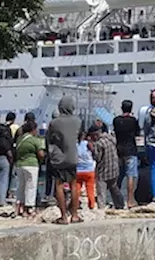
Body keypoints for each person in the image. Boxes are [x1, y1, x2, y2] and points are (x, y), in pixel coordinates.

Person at [46, 96, 83, 224]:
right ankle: (74, 215)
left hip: (58, 157)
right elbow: (79, 137)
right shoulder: (78, 121)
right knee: (73, 185)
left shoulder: (54, 122)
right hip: (72, 156)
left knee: (59, 185)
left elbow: (49, 139)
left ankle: (63, 216)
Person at [13, 120, 45, 218]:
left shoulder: (19, 139)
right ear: (33, 130)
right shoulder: (35, 140)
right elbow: (41, 154)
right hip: (31, 165)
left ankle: (18, 207)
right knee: (30, 187)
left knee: (21, 187)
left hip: (19, 165)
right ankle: (27, 209)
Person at [113, 100, 141, 208]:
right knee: (130, 176)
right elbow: (137, 133)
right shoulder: (133, 120)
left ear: (122, 108)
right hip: (131, 150)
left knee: (119, 176)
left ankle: (117, 200)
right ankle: (130, 200)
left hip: (119, 149)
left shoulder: (116, 120)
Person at [89, 123, 121, 210]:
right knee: (114, 189)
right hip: (114, 168)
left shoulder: (98, 143)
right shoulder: (110, 139)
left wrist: (91, 149)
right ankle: (120, 205)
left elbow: (97, 158)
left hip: (103, 171)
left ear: (95, 135)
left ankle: (101, 208)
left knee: (101, 193)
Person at [75, 133, 98, 210]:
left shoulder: (75, 145)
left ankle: (76, 203)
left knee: (77, 188)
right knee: (90, 189)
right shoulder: (87, 144)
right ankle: (91, 204)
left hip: (78, 170)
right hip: (89, 169)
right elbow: (94, 153)